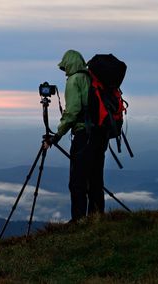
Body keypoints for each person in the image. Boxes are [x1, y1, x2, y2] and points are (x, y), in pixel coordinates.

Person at [44, 49, 109, 222]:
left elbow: (72, 112)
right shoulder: (91, 78)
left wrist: (56, 135)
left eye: (65, 67)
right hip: (100, 136)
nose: (64, 71)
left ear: (70, 64)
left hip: (84, 136)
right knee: (95, 180)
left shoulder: (74, 80)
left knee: (77, 182)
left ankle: (79, 221)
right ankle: (96, 219)